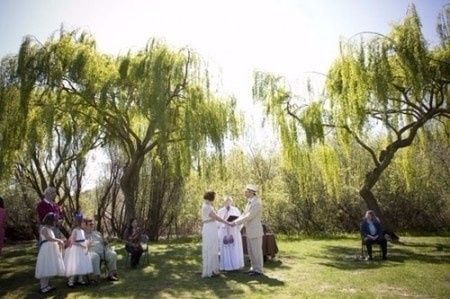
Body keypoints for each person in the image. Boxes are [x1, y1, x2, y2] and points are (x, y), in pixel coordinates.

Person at [233, 184, 264, 276]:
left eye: (246, 191)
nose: (244, 193)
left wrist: (235, 223)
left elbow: (249, 216)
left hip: (255, 231)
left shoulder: (257, 203)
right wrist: (235, 221)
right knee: (251, 251)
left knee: (256, 251)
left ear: (251, 192)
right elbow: (243, 214)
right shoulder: (249, 202)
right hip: (249, 230)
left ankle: (258, 270)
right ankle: (253, 268)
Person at [201, 190, 232, 278]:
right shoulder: (207, 206)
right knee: (210, 247)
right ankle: (209, 270)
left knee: (214, 247)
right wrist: (226, 222)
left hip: (211, 227)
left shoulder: (208, 205)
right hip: (209, 228)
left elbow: (214, 216)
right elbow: (215, 217)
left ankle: (214, 269)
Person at [35, 212, 65, 294]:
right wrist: (59, 240)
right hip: (46, 250)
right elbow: (48, 238)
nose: (55, 222)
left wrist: (59, 242)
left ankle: (46, 285)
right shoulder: (44, 229)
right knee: (44, 267)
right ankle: (42, 287)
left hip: (51, 250)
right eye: (54, 221)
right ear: (50, 221)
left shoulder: (50, 229)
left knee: (48, 267)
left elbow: (52, 238)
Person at [64, 212, 93, 287]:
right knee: (75, 264)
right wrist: (80, 245)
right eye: (83, 222)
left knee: (81, 264)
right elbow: (73, 241)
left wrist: (86, 245)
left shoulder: (82, 231)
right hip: (76, 249)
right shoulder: (75, 230)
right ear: (79, 222)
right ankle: (71, 281)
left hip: (82, 249)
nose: (84, 223)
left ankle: (80, 279)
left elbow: (83, 240)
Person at [217, 196, 244, 271]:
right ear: (224, 202)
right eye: (226, 201)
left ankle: (235, 265)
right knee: (226, 249)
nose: (227, 203)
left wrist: (235, 224)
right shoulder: (220, 211)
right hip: (224, 231)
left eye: (229, 201)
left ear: (231, 202)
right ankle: (226, 266)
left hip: (234, 231)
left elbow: (240, 220)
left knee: (234, 248)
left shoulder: (236, 210)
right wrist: (224, 223)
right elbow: (217, 223)